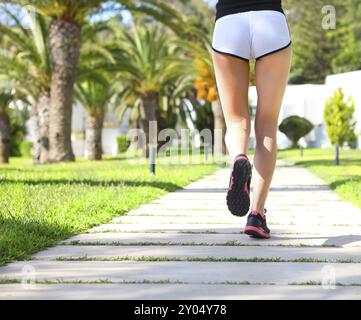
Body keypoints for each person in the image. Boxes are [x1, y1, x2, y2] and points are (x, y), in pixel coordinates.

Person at [211, 0, 292, 239]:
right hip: (270, 20)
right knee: (267, 126)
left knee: (236, 122)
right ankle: (256, 214)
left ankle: (239, 157)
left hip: (228, 23)